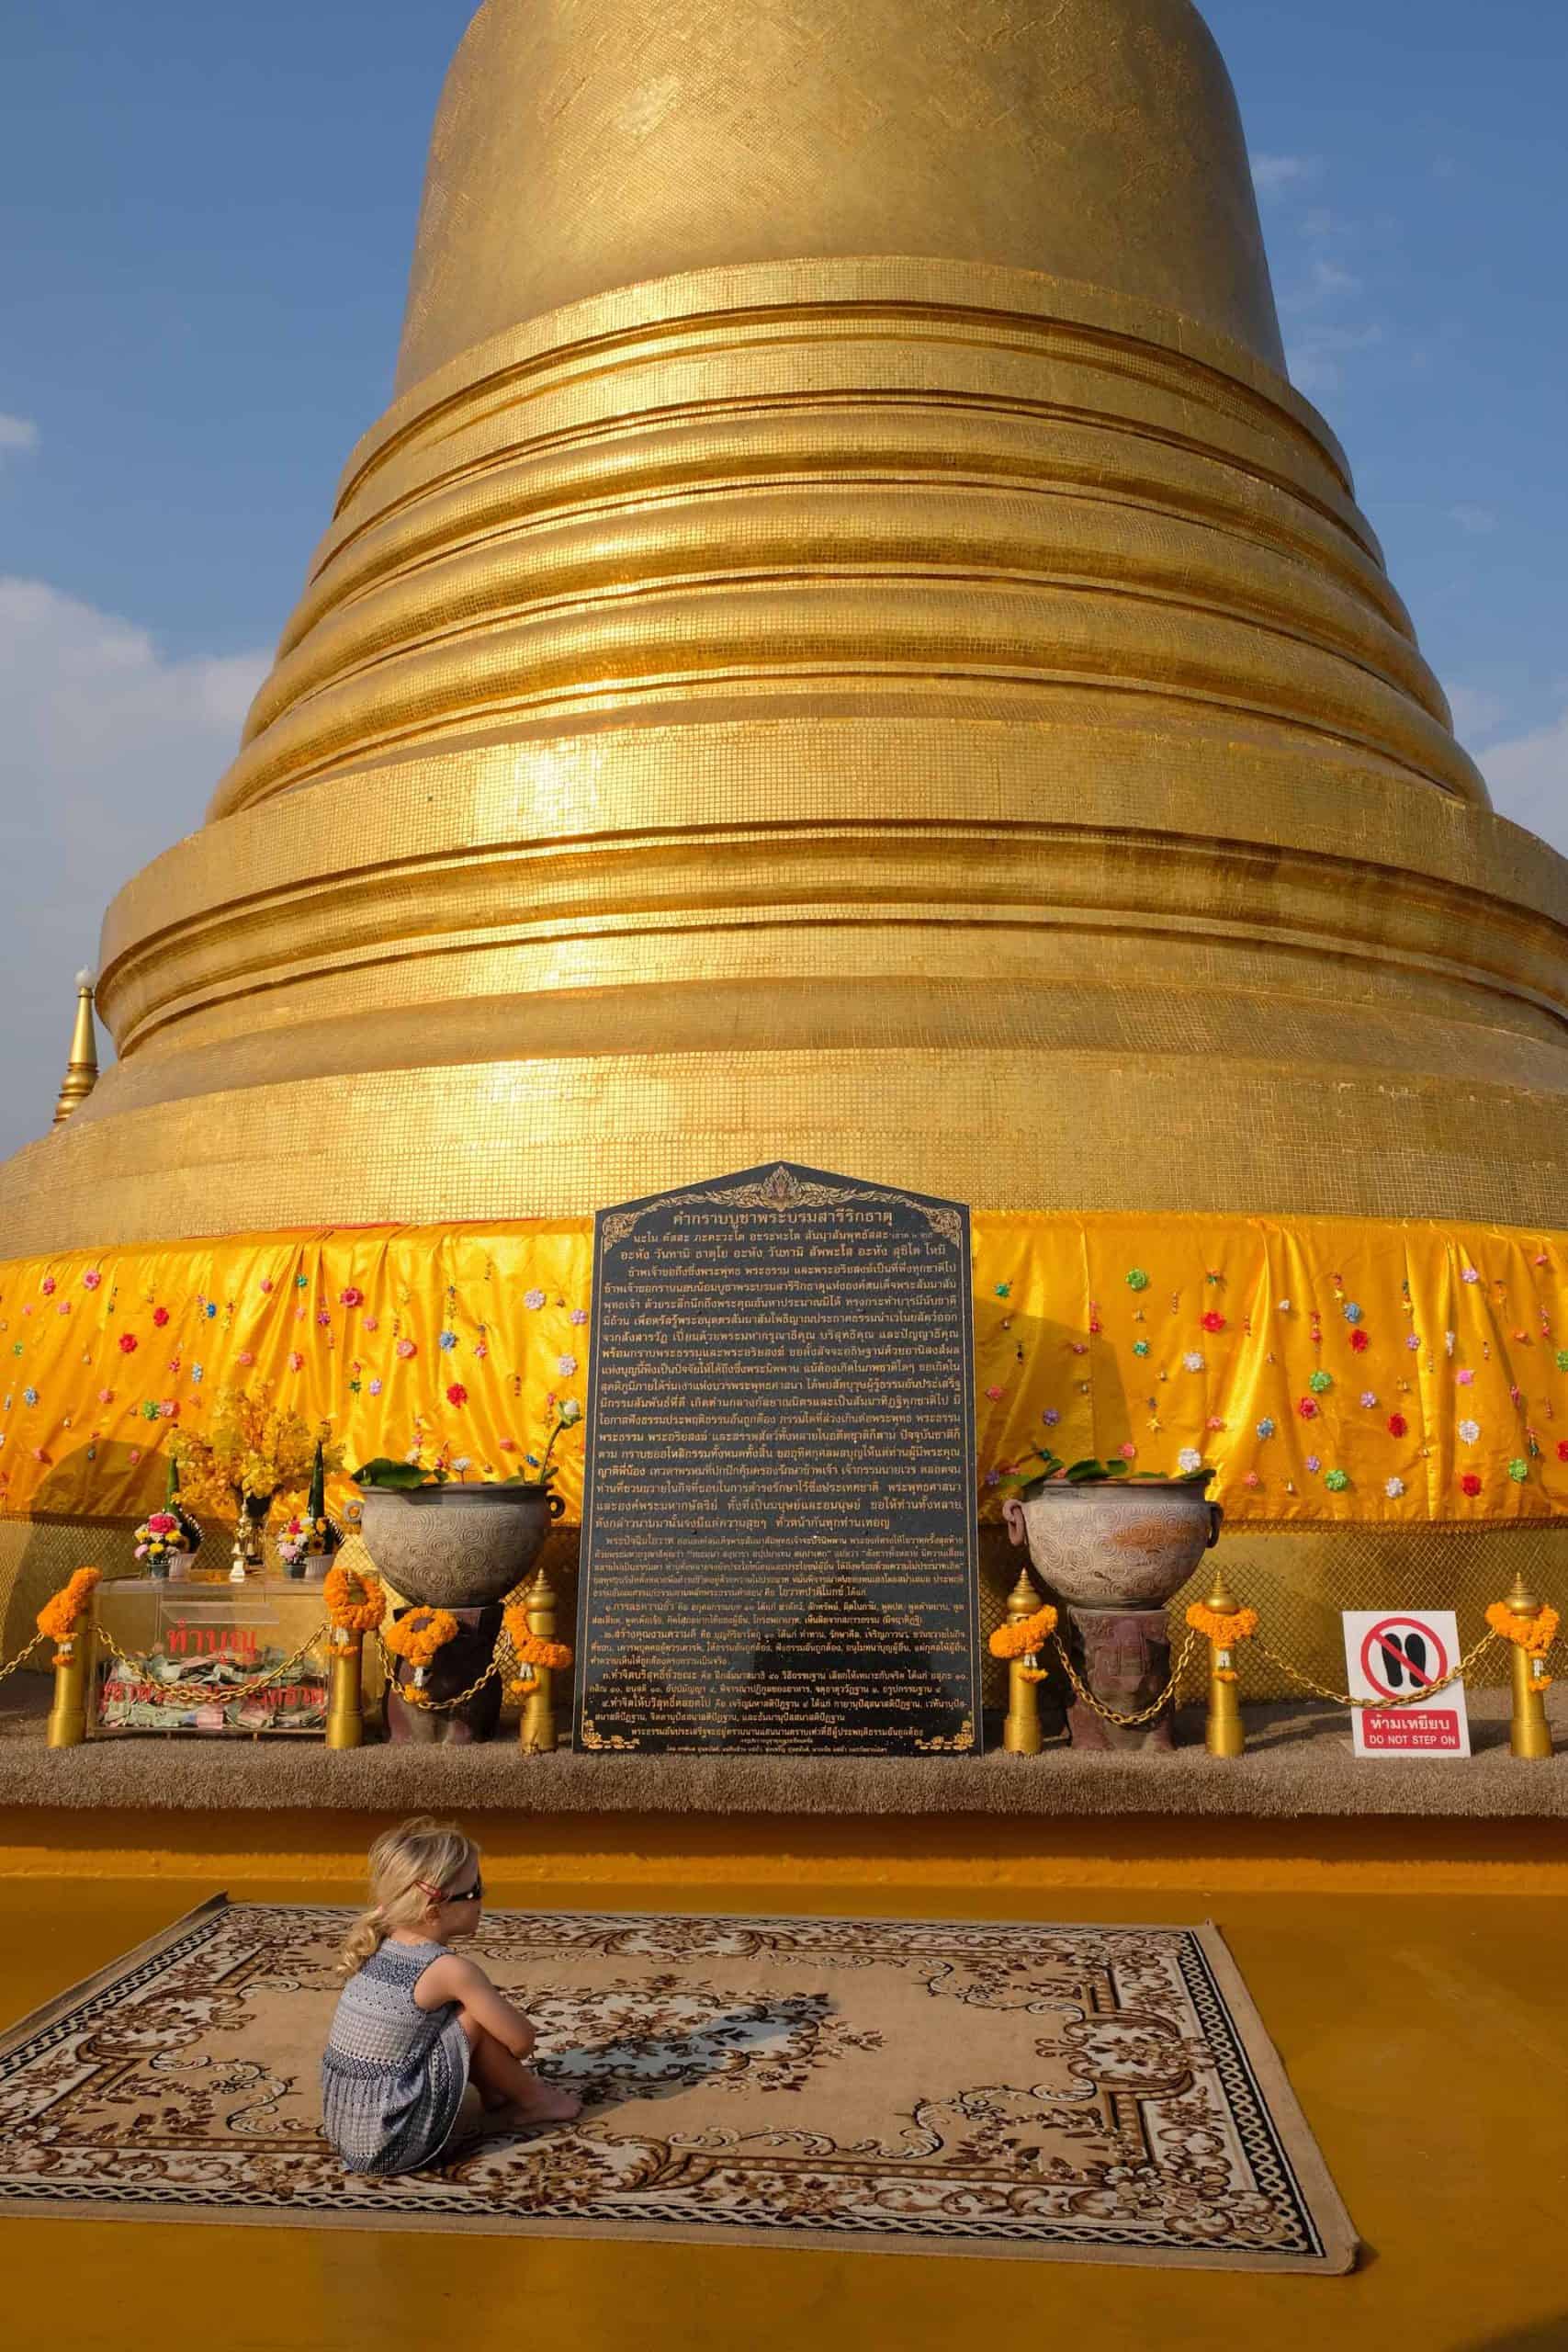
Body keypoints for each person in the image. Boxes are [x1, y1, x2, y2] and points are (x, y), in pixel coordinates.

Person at [321, 1815, 581, 2177]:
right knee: (471, 2016)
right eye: (474, 1891)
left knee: (446, 2018)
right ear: (433, 1911)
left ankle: (495, 2090)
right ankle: (538, 2099)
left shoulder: (382, 1943)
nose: (482, 1899)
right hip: (391, 2145)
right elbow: (522, 2042)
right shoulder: (449, 1970)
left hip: (348, 2133)